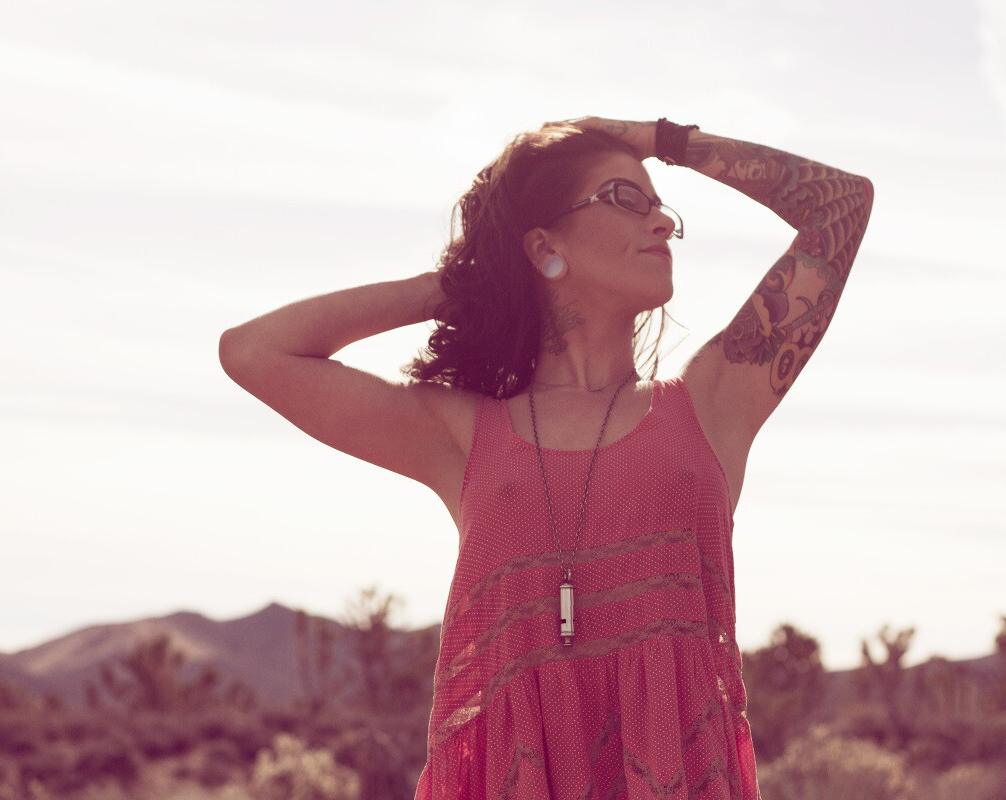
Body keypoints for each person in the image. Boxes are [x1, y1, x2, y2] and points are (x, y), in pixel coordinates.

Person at [218, 117, 873, 799]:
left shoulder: (711, 405)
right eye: (626, 198)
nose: (661, 223)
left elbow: (842, 204)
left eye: (662, 210)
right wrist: (464, 284)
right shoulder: (464, 433)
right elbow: (253, 352)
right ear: (545, 246)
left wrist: (663, 141)